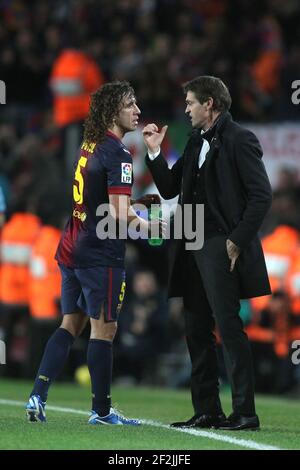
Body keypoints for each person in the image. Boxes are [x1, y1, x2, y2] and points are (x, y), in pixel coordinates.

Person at [26, 81, 161, 426]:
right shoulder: (118, 153)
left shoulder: (89, 145)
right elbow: (117, 214)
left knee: (70, 323)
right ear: (113, 110)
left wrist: (136, 204)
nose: (138, 111)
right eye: (130, 104)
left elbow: (100, 200)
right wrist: (151, 227)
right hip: (100, 253)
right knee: (105, 330)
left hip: (72, 245)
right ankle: (101, 411)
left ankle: (37, 396)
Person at [143, 76, 273, 431]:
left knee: (229, 328)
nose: (186, 109)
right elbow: (170, 187)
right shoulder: (194, 141)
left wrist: (237, 240)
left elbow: (261, 195)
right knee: (195, 329)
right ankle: (208, 410)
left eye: (190, 103)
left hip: (220, 243)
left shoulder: (240, 139)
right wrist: (154, 150)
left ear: (210, 104)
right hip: (191, 240)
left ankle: (245, 413)